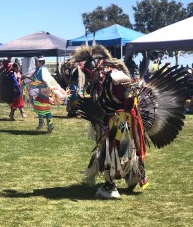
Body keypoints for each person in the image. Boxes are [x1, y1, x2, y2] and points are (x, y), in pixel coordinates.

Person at [72, 45, 187, 199]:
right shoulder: (95, 84)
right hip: (108, 121)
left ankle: (111, 185)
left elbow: (130, 102)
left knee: (113, 151)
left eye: (89, 75)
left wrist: (115, 118)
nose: (88, 79)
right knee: (109, 150)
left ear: (98, 70)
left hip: (124, 121)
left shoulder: (116, 78)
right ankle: (130, 177)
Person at [25, 56, 54, 133]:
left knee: (45, 108)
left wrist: (35, 84)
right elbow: (35, 79)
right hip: (41, 89)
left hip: (45, 90)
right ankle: (42, 122)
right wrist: (26, 77)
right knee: (37, 106)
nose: (35, 63)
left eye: (37, 61)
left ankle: (49, 125)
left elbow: (44, 82)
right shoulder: (37, 70)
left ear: (41, 63)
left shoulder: (43, 70)